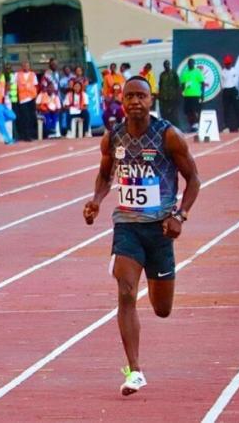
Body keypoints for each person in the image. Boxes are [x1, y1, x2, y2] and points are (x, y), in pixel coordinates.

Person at [83, 76, 201, 396]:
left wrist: (180, 215)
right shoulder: (113, 138)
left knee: (162, 309)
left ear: (152, 100)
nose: (135, 101)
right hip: (127, 226)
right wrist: (96, 200)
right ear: (122, 101)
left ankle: (156, 279)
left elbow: (194, 180)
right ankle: (134, 370)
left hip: (161, 228)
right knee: (125, 291)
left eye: (141, 96)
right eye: (129, 96)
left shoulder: (169, 136)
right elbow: (105, 175)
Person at [15, 60, 39, 142]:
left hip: (31, 98)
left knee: (32, 117)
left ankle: (32, 134)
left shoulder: (33, 74)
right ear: (22, 66)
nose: (26, 67)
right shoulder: (17, 75)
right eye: (24, 65)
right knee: (25, 118)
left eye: (27, 65)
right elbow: (14, 86)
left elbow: (36, 86)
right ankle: (25, 135)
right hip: (22, 99)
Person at [179, 58, 205, 132]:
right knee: (188, 112)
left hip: (195, 94)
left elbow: (202, 83)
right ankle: (192, 126)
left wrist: (202, 94)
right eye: (189, 63)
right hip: (187, 95)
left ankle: (196, 125)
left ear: (194, 64)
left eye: (191, 63)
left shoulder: (197, 72)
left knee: (195, 111)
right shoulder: (185, 73)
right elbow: (183, 85)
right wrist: (181, 92)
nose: (190, 64)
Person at [220, 55, 239, 132]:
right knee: (226, 109)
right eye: (226, 63)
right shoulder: (222, 72)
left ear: (231, 63)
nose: (228, 65)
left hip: (233, 90)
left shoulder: (235, 71)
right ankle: (226, 127)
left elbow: (237, 82)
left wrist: (235, 90)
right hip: (226, 91)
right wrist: (225, 88)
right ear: (224, 64)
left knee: (237, 108)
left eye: (229, 63)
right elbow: (222, 83)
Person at [158, 60, 180, 127]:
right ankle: (165, 127)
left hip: (172, 97)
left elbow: (178, 85)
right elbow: (160, 85)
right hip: (164, 97)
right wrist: (160, 95)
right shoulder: (162, 74)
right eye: (165, 65)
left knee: (173, 114)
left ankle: (175, 127)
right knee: (164, 114)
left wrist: (177, 95)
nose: (166, 66)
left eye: (167, 64)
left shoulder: (174, 73)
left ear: (169, 65)